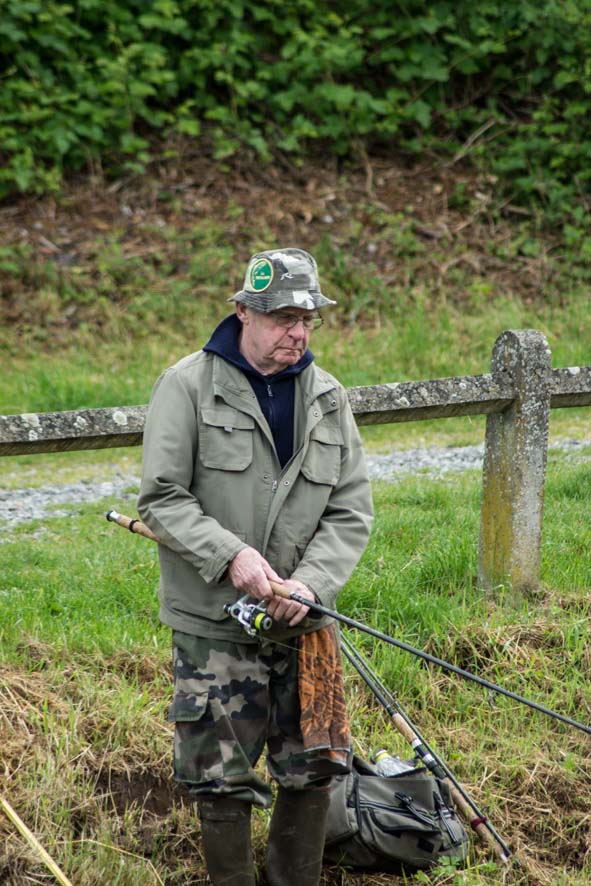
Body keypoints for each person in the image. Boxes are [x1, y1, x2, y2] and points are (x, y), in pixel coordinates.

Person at [138, 247, 373, 885]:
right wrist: (230, 555)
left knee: (313, 770)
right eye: (282, 317)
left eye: (308, 319)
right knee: (221, 785)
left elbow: (351, 511)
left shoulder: (329, 398)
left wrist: (313, 585)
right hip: (216, 625)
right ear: (243, 311)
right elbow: (161, 498)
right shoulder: (186, 385)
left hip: (305, 624)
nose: (297, 332)